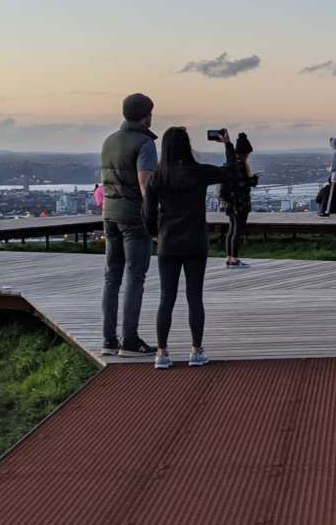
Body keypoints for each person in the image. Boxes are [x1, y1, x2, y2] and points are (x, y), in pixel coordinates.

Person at [144, 127, 242, 369]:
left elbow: (147, 213)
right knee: (194, 297)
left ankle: (162, 353)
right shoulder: (198, 172)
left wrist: (156, 234)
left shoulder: (157, 176)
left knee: (166, 298)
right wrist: (227, 145)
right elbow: (231, 172)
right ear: (186, 145)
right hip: (195, 240)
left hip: (168, 242)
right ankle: (196, 350)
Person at [99, 93, 157, 357]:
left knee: (112, 277)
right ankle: (130, 340)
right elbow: (145, 183)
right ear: (147, 116)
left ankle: (109, 340)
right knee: (135, 275)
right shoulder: (144, 142)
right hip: (133, 217)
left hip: (109, 214)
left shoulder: (109, 140)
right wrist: (154, 217)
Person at [221, 132, 258, 267]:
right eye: (247, 153)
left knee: (231, 229)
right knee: (238, 230)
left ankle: (229, 257)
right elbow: (241, 184)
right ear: (243, 153)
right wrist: (252, 180)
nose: (248, 156)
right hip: (240, 203)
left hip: (231, 202)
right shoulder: (240, 165)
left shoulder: (230, 163)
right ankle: (235, 258)